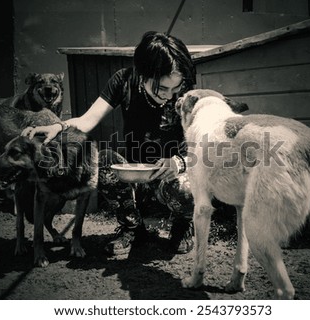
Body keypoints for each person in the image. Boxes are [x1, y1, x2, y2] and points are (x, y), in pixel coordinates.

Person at [22, 31, 196, 256]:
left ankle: (183, 226)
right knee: (103, 160)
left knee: (187, 187)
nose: (171, 96)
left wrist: (177, 162)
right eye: (162, 89)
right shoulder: (124, 81)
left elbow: (200, 146)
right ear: (143, 74)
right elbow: (87, 120)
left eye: (176, 89)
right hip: (135, 175)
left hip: (172, 174)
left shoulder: (188, 91)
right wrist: (58, 126)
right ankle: (133, 228)